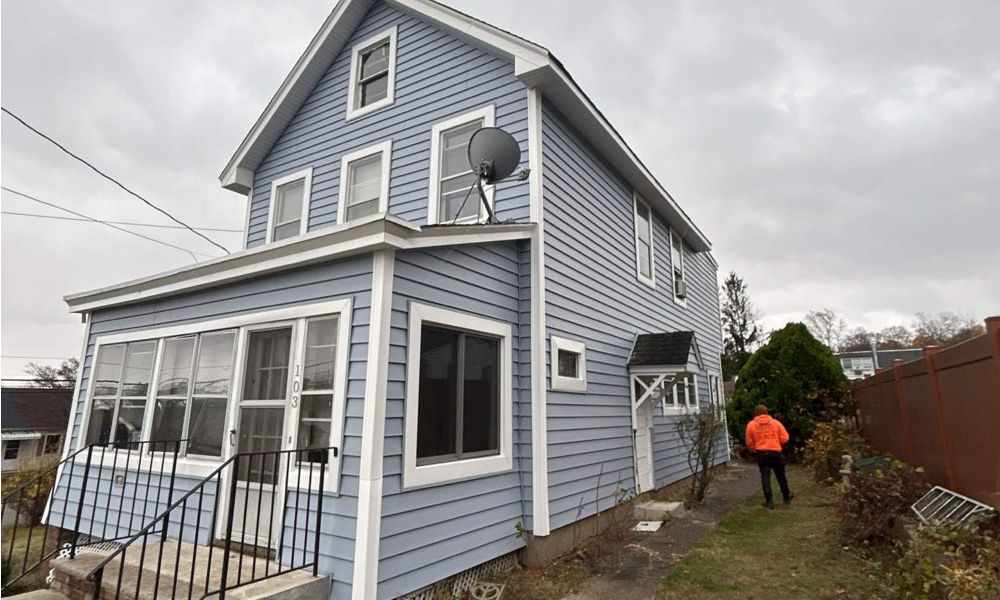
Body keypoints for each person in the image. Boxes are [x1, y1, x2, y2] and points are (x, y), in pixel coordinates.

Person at [745, 405, 794, 509]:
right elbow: (785, 438)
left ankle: (769, 501)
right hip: (775, 452)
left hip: (762, 453)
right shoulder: (776, 423)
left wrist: (752, 449)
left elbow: (749, 441)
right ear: (767, 412)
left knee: (765, 477)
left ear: (756, 413)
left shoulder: (752, 424)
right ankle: (786, 496)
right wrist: (776, 441)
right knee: (781, 476)